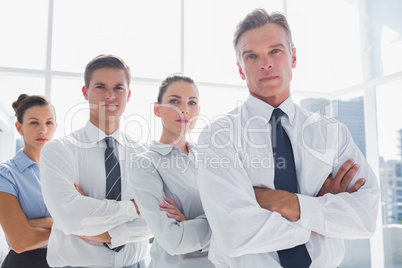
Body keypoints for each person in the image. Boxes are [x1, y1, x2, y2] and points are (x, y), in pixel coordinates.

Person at [196, 8, 380, 268]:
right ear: (240, 69)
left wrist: (280, 201)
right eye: (252, 56)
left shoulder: (331, 133)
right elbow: (235, 234)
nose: (265, 63)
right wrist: (319, 213)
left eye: (275, 51)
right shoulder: (218, 137)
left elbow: (366, 216)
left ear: (293, 57)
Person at [40, 54, 152, 268]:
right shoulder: (59, 150)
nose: (110, 95)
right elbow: (70, 217)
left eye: (119, 87)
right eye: (101, 86)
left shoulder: (145, 155)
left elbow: (157, 221)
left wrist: (103, 232)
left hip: (135, 264)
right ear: (86, 92)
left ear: (129, 94)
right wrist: (135, 207)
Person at [129, 73, 214, 268]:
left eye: (192, 103)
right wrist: (219, 222)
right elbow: (173, 240)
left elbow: (241, 215)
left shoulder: (211, 159)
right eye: (174, 101)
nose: (184, 110)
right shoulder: (145, 164)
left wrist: (189, 224)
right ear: (157, 109)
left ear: (198, 110)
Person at [0, 94, 57, 268]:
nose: (42, 130)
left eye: (48, 122)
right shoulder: (6, 174)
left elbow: (81, 219)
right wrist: (62, 227)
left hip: (61, 261)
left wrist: (37, 224)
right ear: (19, 127)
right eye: (34, 122)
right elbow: (19, 241)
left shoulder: (64, 173)